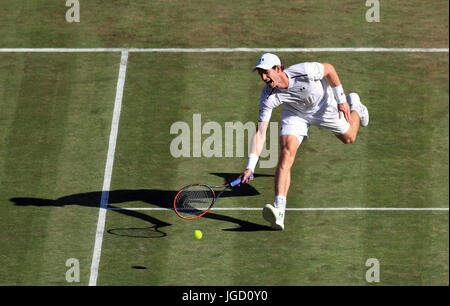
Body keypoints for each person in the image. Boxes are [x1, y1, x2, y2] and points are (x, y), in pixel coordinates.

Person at [239, 53, 369, 230]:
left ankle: (355, 105)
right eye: (260, 73)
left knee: (349, 137)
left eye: (266, 72)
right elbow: (261, 132)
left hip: (324, 106)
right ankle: (279, 210)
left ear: (278, 69)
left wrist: (341, 100)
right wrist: (250, 166)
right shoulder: (268, 96)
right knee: (286, 152)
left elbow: (329, 69)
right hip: (296, 114)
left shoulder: (304, 71)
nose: (263, 77)